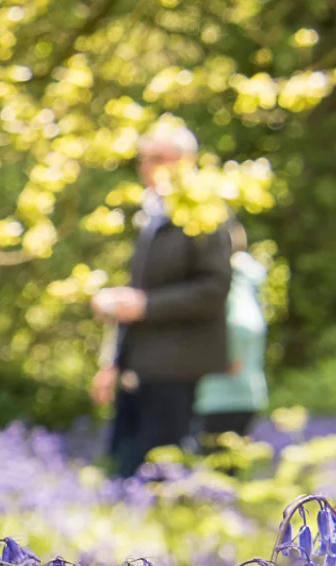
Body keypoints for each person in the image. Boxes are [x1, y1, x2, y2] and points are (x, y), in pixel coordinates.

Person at [90, 122, 236, 479]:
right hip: (139, 367)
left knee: (161, 474)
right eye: (144, 158)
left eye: (157, 158)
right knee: (125, 469)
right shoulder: (151, 215)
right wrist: (112, 362)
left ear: (187, 161)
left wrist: (145, 305)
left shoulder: (206, 214)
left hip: (177, 367)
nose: (147, 167)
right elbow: (140, 292)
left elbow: (214, 289)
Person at [194, 227, 268, 442]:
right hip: (244, 392)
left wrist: (230, 359)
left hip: (219, 396)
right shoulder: (249, 278)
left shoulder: (232, 278)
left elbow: (240, 325)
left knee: (216, 467)